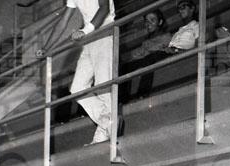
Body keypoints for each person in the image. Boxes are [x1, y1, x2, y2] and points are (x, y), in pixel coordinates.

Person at [43, 0, 116, 144]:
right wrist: (46, 48)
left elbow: (104, 8)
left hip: (105, 33)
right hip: (89, 39)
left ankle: (105, 130)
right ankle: (107, 122)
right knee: (77, 88)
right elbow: (62, 22)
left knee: (103, 85)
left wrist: (84, 30)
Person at [120, 10, 172, 99]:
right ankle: (122, 99)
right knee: (125, 67)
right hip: (147, 59)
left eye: (152, 20)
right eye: (146, 21)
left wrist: (147, 51)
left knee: (150, 58)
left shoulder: (166, 36)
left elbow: (160, 47)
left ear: (160, 22)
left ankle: (142, 94)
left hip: (158, 58)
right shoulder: (146, 41)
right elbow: (139, 53)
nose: (148, 24)